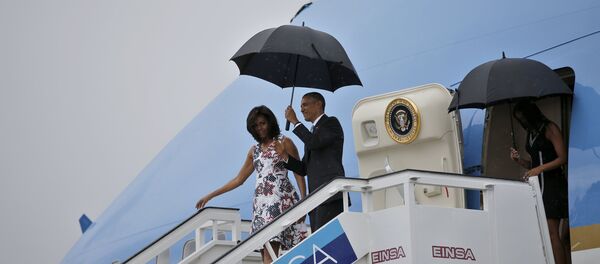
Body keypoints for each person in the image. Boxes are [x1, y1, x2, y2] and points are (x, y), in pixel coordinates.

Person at [195, 105, 307, 263]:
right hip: (260, 205)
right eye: (255, 125)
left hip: (280, 201)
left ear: (270, 122)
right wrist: (210, 195)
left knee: (272, 252)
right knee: (265, 254)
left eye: (262, 123)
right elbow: (238, 180)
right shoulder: (253, 151)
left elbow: (299, 173)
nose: (259, 128)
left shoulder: (284, 142)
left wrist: (304, 201)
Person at [275, 92, 346, 232]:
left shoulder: (331, 123)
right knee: (320, 244)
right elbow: (303, 169)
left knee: (331, 242)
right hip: (316, 200)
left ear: (318, 104)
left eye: (305, 104)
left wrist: (295, 122)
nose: (301, 109)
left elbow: (315, 143)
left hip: (330, 195)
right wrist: (284, 155)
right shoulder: (312, 133)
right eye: (300, 106)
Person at [509, 101, 568, 264]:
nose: (522, 122)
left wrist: (540, 169)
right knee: (546, 234)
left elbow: (563, 158)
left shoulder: (550, 128)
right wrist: (519, 161)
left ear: (531, 114)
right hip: (539, 186)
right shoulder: (531, 132)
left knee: (552, 233)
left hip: (552, 185)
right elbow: (534, 164)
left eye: (523, 118)